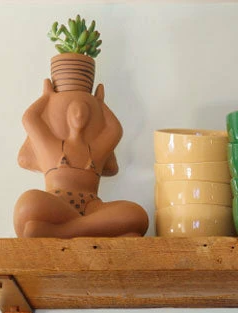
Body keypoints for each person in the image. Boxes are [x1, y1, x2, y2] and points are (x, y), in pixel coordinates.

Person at [13, 79, 148, 239]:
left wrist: (100, 103)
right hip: (56, 204)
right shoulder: (51, 145)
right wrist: (47, 97)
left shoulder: (96, 149)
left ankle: (60, 232)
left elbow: (115, 130)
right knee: (28, 203)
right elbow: (29, 119)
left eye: (85, 112)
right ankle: (103, 230)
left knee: (137, 215)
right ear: (64, 118)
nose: (79, 115)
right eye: (73, 111)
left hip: (92, 206)